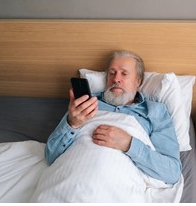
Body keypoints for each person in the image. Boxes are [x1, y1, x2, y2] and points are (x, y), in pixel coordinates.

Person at [45, 50, 181, 184]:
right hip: (70, 175)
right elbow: (50, 156)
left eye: (124, 73)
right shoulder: (85, 103)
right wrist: (72, 124)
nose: (116, 79)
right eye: (112, 73)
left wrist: (128, 144)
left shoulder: (155, 111)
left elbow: (172, 173)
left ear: (137, 81)